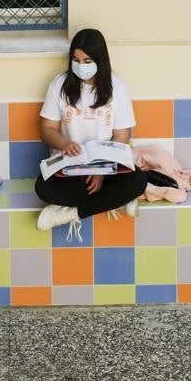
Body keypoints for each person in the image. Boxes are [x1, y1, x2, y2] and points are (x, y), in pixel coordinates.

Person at [35, 28, 147, 237]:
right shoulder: (59, 85)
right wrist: (64, 144)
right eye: (75, 60)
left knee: (138, 182)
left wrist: (101, 171)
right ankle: (115, 200)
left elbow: (122, 136)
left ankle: (73, 212)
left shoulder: (117, 87)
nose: (80, 66)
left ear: (99, 59)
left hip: (106, 166)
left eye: (87, 61)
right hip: (69, 166)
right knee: (43, 188)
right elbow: (46, 130)